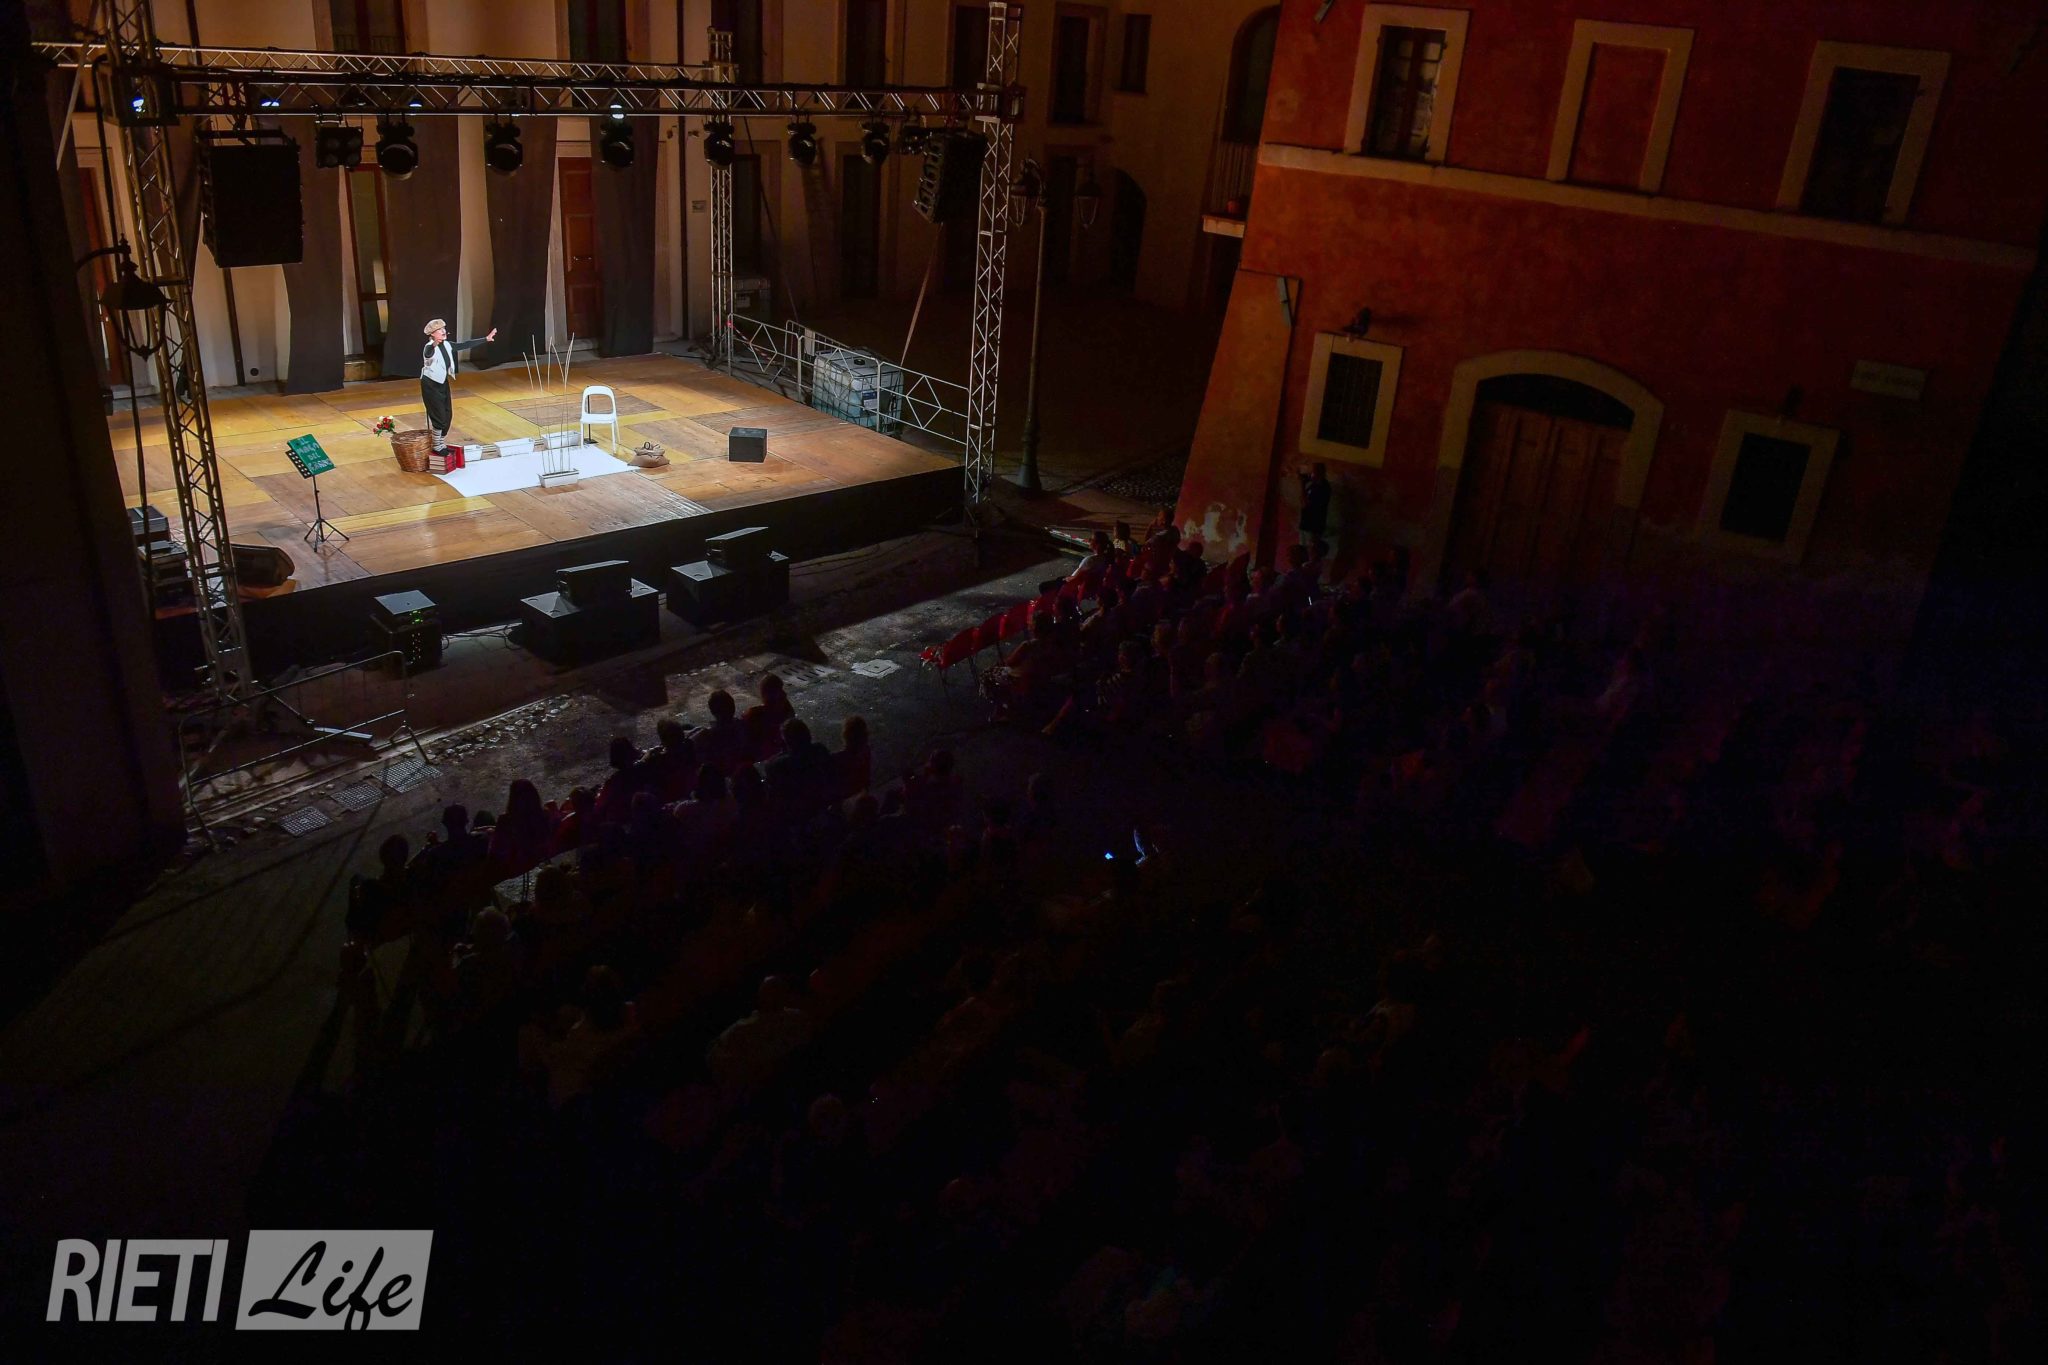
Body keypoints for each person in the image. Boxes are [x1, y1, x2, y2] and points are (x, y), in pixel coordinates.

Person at [418, 318, 497, 453]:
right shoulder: (429, 346)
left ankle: (440, 443)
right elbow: (428, 353)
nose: (443, 331)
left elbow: (465, 344)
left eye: (443, 329)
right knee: (439, 416)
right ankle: (437, 446)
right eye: (439, 330)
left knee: (447, 414)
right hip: (430, 384)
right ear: (432, 334)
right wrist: (435, 343)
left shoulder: (447, 345)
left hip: (442, 382)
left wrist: (486, 339)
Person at [1298, 462, 1332, 548]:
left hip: (1313, 527)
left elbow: (1304, 503)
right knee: (1303, 549)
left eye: (1312, 472)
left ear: (1319, 473)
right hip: (1307, 524)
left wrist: (1302, 484)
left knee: (1308, 550)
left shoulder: (1323, 488)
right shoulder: (1314, 485)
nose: (1310, 474)